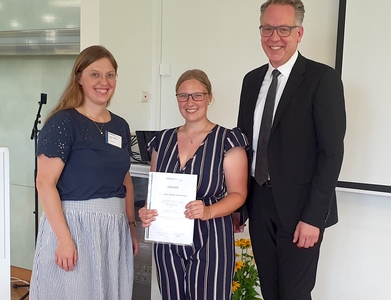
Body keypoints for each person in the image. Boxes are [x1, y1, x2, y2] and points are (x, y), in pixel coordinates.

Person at [237, 1, 346, 299]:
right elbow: (243, 147)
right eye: (267, 29)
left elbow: (331, 154)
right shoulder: (251, 81)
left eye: (283, 29)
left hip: (301, 211)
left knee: (295, 295)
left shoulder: (322, 80)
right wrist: (239, 205)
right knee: (270, 293)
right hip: (259, 205)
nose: (275, 37)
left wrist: (314, 217)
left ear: (299, 33)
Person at [29, 45, 139, 300]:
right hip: (75, 226)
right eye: (95, 74)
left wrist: (130, 228)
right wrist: (64, 239)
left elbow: (125, 180)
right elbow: (45, 183)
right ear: (79, 78)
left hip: (114, 228)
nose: (104, 82)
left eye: (110, 75)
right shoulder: (63, 123)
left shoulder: (120, 126)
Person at [139, 69, 249, 300]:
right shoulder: (162, 140)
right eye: (183, 96)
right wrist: (147, 211)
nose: (190, 102)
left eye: (197, 95)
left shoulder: (228, 140)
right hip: (168, 240)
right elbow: (154, 190)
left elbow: (238, 194)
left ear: (209, 98)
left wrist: (209, 211)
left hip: (211, 238)